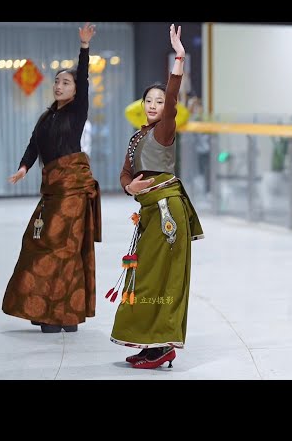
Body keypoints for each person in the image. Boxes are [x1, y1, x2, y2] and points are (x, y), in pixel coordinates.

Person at [108, 24, 204, 369]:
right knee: (144, 276)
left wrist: (179, 58)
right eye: (149, 100)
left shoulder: (164, 131)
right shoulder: (137, 138)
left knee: (160, 278)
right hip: (147, 212)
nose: (154, 105)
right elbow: (124, 172)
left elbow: (174, 95)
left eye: (159, 101)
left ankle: (162, 345)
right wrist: (128, 187)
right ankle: (149, 344)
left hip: (167, 212)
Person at [2, 23, 101, 334]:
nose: (59, 86)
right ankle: (56, 311)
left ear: (75, 90)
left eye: (66, 82)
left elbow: (83, 78)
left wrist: (84, 48)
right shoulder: (46, 117)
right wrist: (23, 167)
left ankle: (61, 315)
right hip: (52, 191)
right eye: (57, 81)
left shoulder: (77, 112)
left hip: (72, 189)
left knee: (61, 249)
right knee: (37, 243)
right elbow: (34, 145)